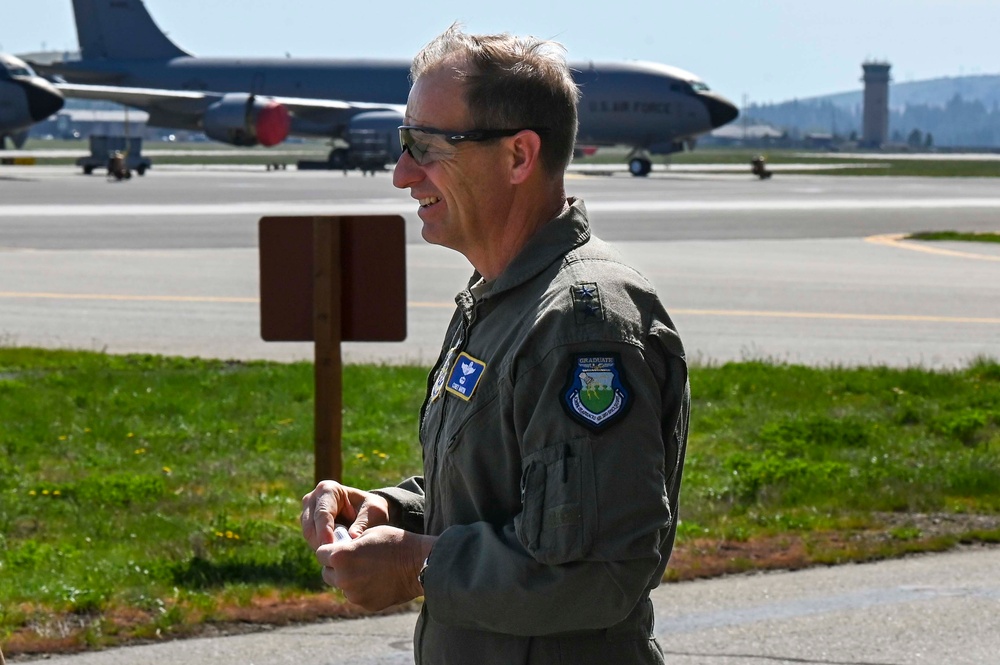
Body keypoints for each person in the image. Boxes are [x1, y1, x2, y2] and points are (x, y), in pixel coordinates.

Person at [301, 24, 690, 665]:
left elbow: (595, 571)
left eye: (426, 147)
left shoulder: (578, 323)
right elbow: (522, 497)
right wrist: (393, 512)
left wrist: (412, 566)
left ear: (518, 157)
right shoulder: (503, 297)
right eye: (405, 143)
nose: (401, 173)